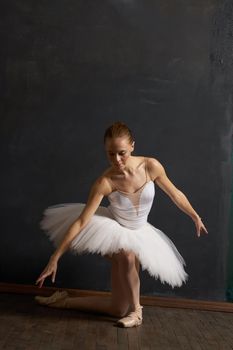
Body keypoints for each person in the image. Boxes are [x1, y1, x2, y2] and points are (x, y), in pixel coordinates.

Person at [35, 121, 208, 328]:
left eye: (122, 153)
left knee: (117, 308)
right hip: (114, 229)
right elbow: (82, 221)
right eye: (110, 154)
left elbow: (175, 193)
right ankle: (137, 312)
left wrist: (194, 215)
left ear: (133, 146)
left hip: (141, 231)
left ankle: (62, 301)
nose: (116, 160)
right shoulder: (105, 182)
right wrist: (56, 257)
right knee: (127, 254)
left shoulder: (150, 166)